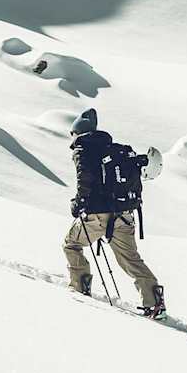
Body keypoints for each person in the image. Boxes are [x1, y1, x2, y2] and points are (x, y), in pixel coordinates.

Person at [62, 109, 166, 319]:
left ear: (77, 133)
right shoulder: (114, 149)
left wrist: (80, 202)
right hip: (125, 214)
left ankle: (80, 289)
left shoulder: (83, 149)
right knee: (131, 259)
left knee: (71, 244)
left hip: (97, 215)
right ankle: (155, 304)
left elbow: (85, 177)